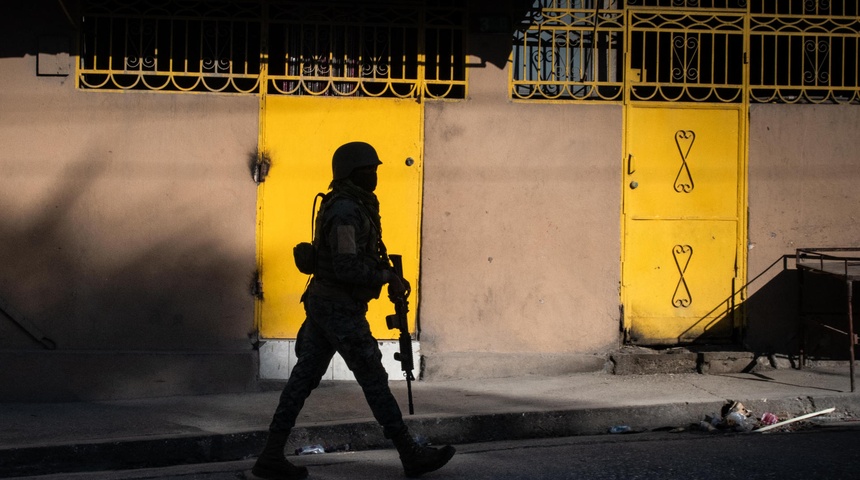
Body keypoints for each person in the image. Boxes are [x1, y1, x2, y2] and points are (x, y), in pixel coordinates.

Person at [252, 141, 456, 480]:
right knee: (373, 379)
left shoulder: (354, 205)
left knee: (302, 380)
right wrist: (384, 275)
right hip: (338, 308)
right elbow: (346, 267)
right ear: (351, 172)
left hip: (327, 304)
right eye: (369, 170)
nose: (374, 176)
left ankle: (271, 455)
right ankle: (410, 454)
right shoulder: (346, 211)